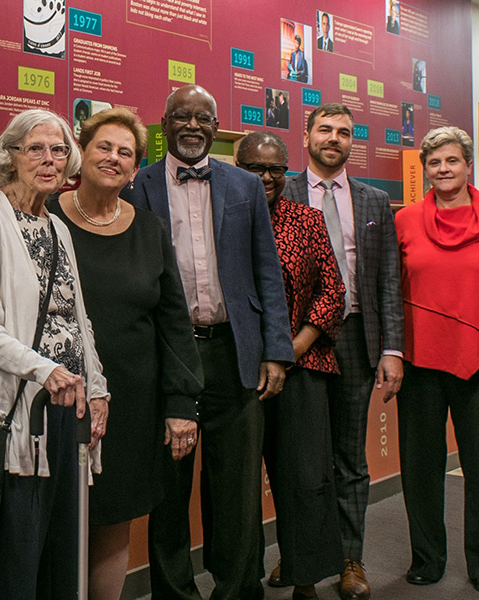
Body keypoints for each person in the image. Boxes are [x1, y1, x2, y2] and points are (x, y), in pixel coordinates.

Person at [122, 84, 293, 600]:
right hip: (167, 353)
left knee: (237, 485)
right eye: (182, 116)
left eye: (203, 118)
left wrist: (275, 351)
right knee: (168, 488)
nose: (193, 126)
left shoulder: (245, 186)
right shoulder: (137, 186)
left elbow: (267, 271)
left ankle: (237, 588)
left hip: (233, 351)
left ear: (217, 128)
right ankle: (174, 592)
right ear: (164, 124)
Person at [47, 108, 202, 600]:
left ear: (136, 168)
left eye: (126, 153)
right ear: (81, 153)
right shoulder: (43, 216)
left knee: (115, 521)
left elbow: (174, 323)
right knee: (53, 521)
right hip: (54, 397)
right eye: (104, 147)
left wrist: (181, 403)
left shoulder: (151, 229)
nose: (113, 158)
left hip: (133, 406)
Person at [0, 109, 109, 600]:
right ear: (10, 157)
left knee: (66, 555)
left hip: (71, 410)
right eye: (36, 149)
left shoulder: (58, 226)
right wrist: (46, 371)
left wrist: (97, 389)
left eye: (59, 150)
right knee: (20, 558)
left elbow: (79, 319)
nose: (49, 160)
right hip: (25, 411)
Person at [280, 103, 404, 600]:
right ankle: (300, 555)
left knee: (350, 457)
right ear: (306, 136)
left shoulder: (375, 201)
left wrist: (392, 349)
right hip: (298, 342)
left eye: (344, 132)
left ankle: (350, 558)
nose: (334, 138)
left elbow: (388, 279)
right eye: (325, 129)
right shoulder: (280, 191)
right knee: (299, 456)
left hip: (354, 336)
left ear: (353, 141)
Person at [395, 126, 479, 596]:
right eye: (434, 162)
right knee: (420, 469)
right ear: (425, 169)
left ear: (468, 165)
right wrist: (392, 353)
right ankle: (427, 560)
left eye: (452, 160)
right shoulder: (404, 220)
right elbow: (390, 290)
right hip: (419, 363)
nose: (443, 169)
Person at [236, 131, 345, 600]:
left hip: (302, 367)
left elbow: (333, 292)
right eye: (255, 168)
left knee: (305, 478)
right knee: (238, 485)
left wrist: (288, 351)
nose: (267, 177)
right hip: (238, 371)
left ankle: (306, 578)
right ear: (236, 169)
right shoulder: (224, 220)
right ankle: (242, 580)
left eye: (276, 169)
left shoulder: (307, 219)